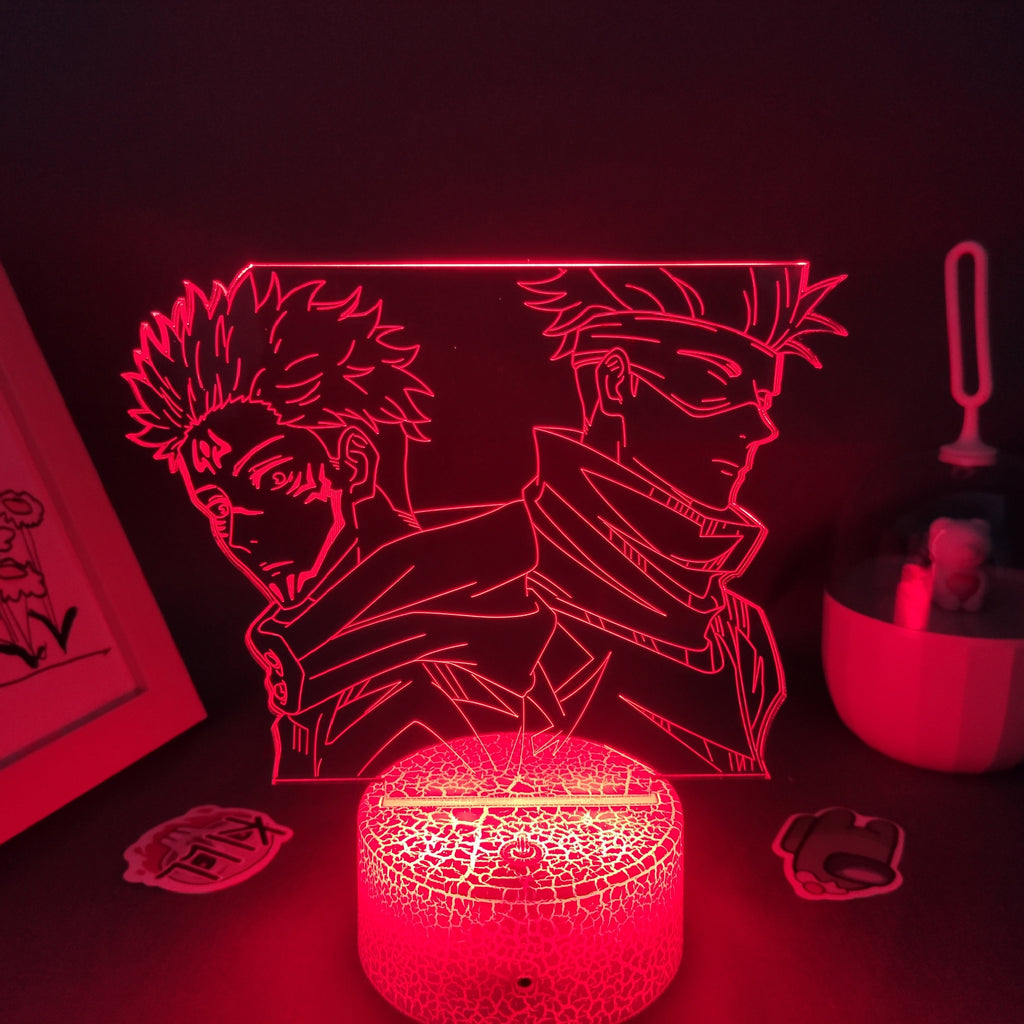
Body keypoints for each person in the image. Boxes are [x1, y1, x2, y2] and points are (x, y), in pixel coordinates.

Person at [125, 268, 563, 779]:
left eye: (274, 478)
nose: (242, 536)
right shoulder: (326, 657)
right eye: (217, 508)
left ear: (353, 463)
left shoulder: (425, 677)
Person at [519, 263, 846, 775]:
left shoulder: (743, 638)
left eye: (762, 398)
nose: (760, 427)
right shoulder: (475, 598)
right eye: (717, 384)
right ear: (616, 382)